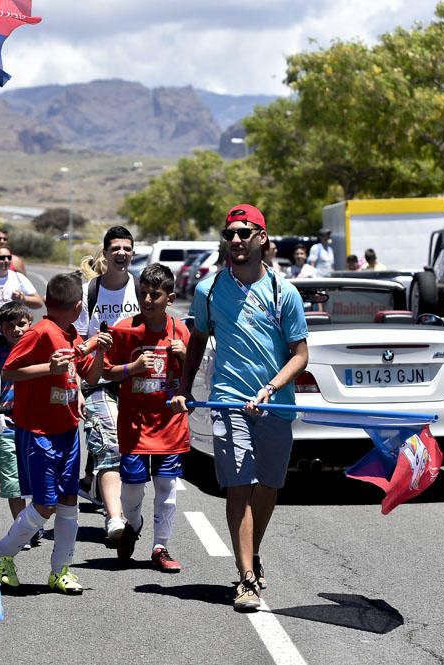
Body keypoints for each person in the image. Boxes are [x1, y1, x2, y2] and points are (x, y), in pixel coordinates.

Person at [171, 204, 309, 611]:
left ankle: (253, 553)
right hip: (229, 400)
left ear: (262, 238)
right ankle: (246, 577)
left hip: (275, 404)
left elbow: (300, 354)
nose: (236, 240)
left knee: (268, 486)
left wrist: (272, 387)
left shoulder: (285, 292)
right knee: (238, 485)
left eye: (245, 233)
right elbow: (198, 339)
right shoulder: (209, 291)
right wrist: (183, 386)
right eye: (230, 233)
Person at [0, 273, 110, 594]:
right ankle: (2, 556)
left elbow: (91, 376)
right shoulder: (40, 332)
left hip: (67, 430)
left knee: (69, 500)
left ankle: (60, 570)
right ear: (78, 305)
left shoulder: (72, 334)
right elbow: (10, 370)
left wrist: (98, 350)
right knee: (45, 503)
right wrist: (49, 368)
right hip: (40, 431)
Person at [102, 263, 189, 572]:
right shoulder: (125, 329)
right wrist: (133, 368)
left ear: (171, 298)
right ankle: (133, 524)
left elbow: (196, 374)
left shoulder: (181, 331)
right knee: (133, 489)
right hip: (134, 423)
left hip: (170, 423)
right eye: (143, 294)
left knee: (166, 485)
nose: (148, 300)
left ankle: (160, 547)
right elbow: (105, 371)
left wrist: (184, 356)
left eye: (155, 294)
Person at [74, 226, 141, 544]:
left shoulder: (141, 289)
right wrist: (77, 377)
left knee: (135, 453)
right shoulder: (91, 291)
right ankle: (115, 519)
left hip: (136, 381)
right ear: (105, 252)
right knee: (110, 445)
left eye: (127, 248)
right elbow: (75, 341)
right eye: (115, 248)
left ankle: (126, 510)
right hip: (98, 381)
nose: (122, 253)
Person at [0, 301, 36, 538]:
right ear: (2, 329)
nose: (17, 330)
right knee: (13, 484)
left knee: (37, 479)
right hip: (7, 428)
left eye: (22, 324)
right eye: (11, 326)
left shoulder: (38, 351)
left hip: (35, 427)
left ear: (31, 324)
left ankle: (31, 523)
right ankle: (22, 531)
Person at [0, 246, 42, 335]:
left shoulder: (18, 277)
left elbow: (39, 303)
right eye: (1, 258)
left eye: (9, 257)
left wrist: (23, 298)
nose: (6, 260)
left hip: (17, 334)